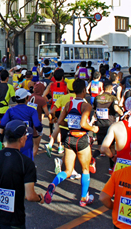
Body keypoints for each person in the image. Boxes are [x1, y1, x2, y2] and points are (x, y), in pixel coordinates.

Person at [44, 79, 99, 207]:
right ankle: (83, 198)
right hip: (81, 139)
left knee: (68, 170)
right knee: (85, 169)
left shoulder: (68, 104)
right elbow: (83, 124)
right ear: (84, 90)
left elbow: (60, 122)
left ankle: (53, 184)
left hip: (69, 138)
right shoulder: (86, 106)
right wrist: (93, 129)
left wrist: (69, 125)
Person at [0, 88, 42, 160]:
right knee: (26, 164)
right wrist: (40, 132)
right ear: (26, 98)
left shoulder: (10, 110)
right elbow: (37, 125)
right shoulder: (32, 110)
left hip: (12, 143)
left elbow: (2, 124)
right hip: (26, 143)